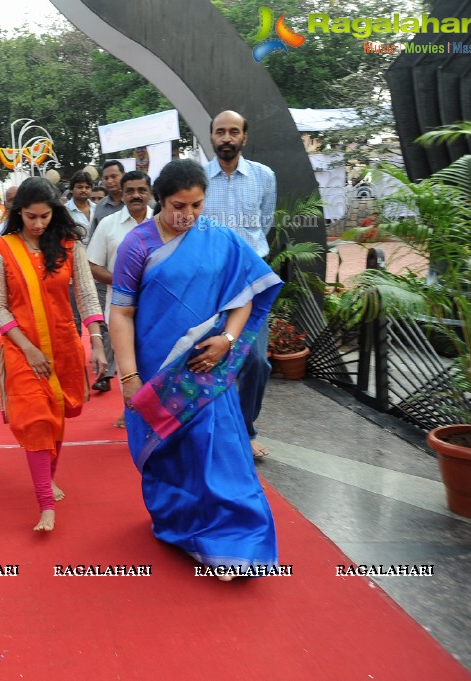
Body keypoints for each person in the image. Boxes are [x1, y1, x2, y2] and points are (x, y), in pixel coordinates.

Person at [110, 159, 283, 579]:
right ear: (159, 200)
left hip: (208, 369)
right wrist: (130, 378)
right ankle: (182, 528)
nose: (187, 214)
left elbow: (244, 292)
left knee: (220, 449)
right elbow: (122, 314)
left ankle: (235, 544)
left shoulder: (219, 239)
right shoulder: (138, 245)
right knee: (172, 454)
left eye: (196, 204)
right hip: (157, 370)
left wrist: (228, 339)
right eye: (177, 205)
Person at [0, 177, 106, 532]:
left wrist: (96, 341)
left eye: (45, 216)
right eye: (30, 216)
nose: (38, 224)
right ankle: (45, 503)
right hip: (22, 349)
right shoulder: (2, 249)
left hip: (64, 347)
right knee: (37, 420)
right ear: (17, 213)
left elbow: (86, 294)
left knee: (56, 417)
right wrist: (28, 348)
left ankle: (47, 478)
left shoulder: (69, 246)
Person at [200, 110, 278, 460]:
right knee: (205, 357)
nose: (227, 138)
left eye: (234, 131)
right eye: (220, 132)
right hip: (209, 284)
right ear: (212, 136)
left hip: (251, 281)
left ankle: (246, 429)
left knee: (257, 362)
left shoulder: (264, 177)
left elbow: (265, 223)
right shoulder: (198, 178)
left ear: (244, 137)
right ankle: (208, 430)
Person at [87, 169, 151, 427]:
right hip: (120, 307)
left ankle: (157, 411)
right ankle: (132, 410)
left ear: (150, 193)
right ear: (121, 195)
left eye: (141, 190)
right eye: (130, 191)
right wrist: (123, 282)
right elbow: (92, 264)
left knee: (153, 357)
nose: (136, 195)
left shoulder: (162, 222)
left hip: (157, 306)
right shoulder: (108, 225)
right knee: (128, 361)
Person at [64, 170, 94, 241]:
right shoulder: (64, 211)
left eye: (87, 187)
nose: (84, 190)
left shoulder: (97, 208)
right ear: (71, 190)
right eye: (80, 187)